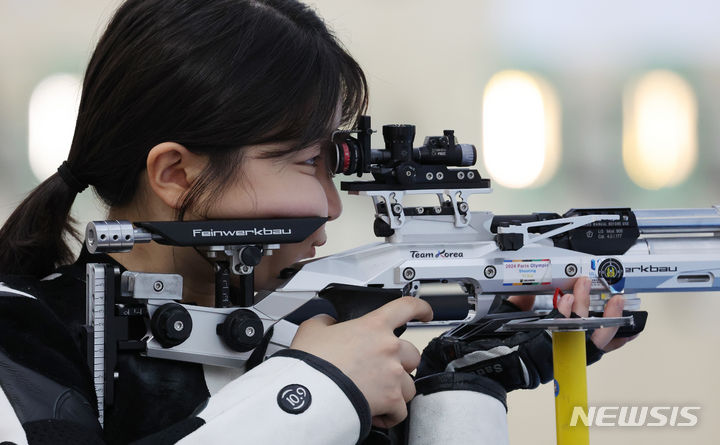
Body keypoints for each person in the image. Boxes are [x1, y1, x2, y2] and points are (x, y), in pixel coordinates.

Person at [0, 1, 631, 444]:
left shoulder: (304, 340)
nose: (331, 206)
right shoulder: (20, 337)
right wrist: (316, 390)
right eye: (309, 162)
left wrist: (458, 384)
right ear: (175, 174)